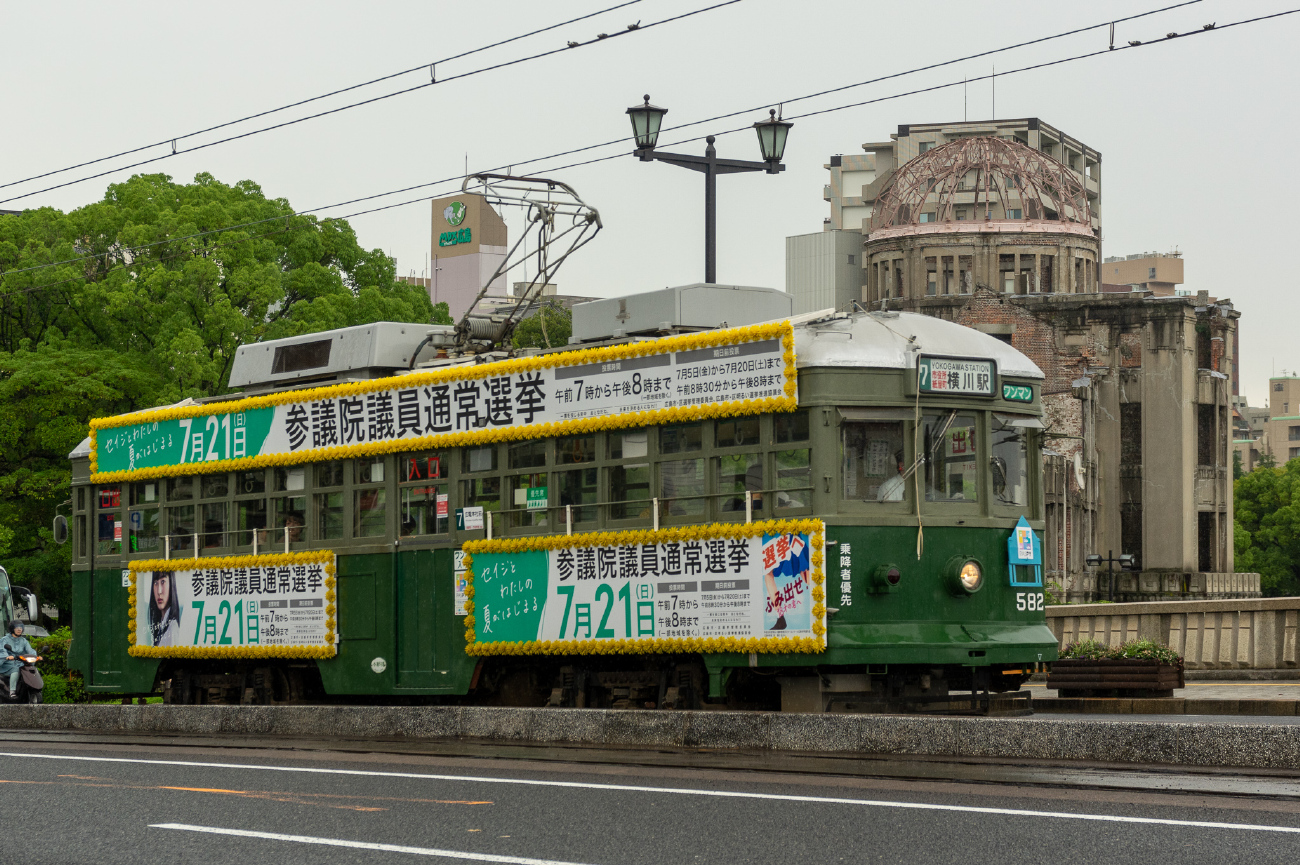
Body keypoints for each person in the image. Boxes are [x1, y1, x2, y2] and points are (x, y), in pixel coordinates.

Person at [0, 621, 39, 698]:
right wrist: (7, 656)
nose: (19, 629)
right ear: (12, 629)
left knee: (27, 669)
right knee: (16, 669)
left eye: (21, 628)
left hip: (20, 662)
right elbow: (1, 650)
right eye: (17, 628)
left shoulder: (23, 640)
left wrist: (35, 656)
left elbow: (30, 650)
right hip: (7, 663)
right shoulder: (4, 639)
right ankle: (12, 692)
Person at [149, 571, 182, 647]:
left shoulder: (172, 628)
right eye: (155, 583)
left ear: (171, 584)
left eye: (163, 581)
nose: (159, 591)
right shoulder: (161, 625)